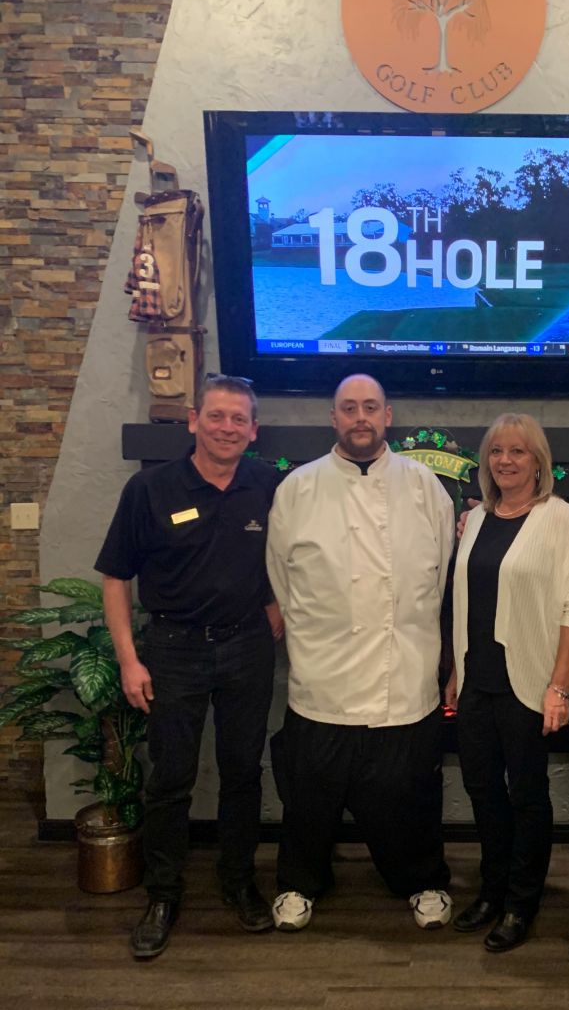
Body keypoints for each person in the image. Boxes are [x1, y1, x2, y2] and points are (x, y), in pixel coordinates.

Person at [96, 374, 284, 959]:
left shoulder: (269, 486)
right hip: (173, 651)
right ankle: (163, 894)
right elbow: (114, 579)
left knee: (242, 773)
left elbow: (294, 556)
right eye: (217, 416)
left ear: (253, 431)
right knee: (170, 779)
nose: (228, 428)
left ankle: (238, 882)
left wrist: (275, 609)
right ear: (194, 421)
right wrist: (130, 660)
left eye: (239, 420)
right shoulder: (149, 490)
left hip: (248, 648)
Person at [265, 374, 455, 933]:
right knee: (309, 798)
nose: (360, 418)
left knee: (412, 794)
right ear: (333, 418)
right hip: (322, 678)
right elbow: (279, 578)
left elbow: (442, 580)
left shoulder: (425, 487)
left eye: (370, 407)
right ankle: (300, 883)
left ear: (388, 415)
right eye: (349, 408)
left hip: (406, 678)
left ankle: (422, 881)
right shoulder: (298, 488)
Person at [448, 413, 569, 953]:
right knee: (482, 790)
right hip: (476, 680)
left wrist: (560, 686)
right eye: (497, 452)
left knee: (526, 795)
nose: (505, 460)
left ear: (538, 462)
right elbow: (465, 600)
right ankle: (492, 887)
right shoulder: (478, 518)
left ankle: (521, 901)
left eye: (518, 452)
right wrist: (455, 672)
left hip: (529, 682)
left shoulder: (559, 519)